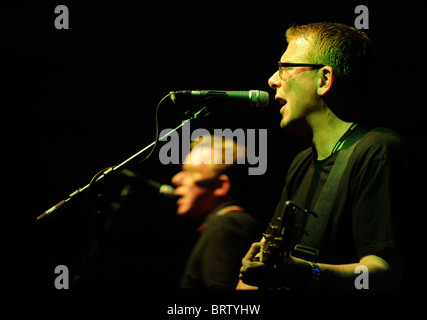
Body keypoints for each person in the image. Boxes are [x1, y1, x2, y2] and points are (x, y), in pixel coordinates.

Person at [238, 22, 417, 291]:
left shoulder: (378, 151)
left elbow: (385, 274)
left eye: (285, 67)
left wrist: (305, 274)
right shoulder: (301, 162)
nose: (273, 80)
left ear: (324, 79)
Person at [172, 134, 262, 289]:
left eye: (190, 172)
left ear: (220, 186)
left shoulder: (227, 225)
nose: (176, 179)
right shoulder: (226, 223)